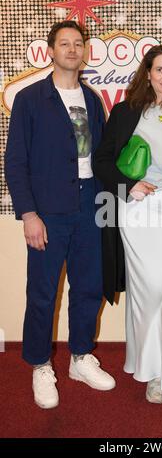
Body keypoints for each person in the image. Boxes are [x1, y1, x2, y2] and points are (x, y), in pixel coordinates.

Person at [93, 44, 162, 423]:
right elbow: (103, 161)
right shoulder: (126, 112)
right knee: (146, 297)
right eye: (159, 69)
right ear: (146, 72)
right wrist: (128, 186)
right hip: (137, 213)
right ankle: (154, 371)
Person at [5, 20, 115, 409]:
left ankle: (81, 357)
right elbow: (15, 162)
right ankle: (39, 364)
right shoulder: (30, 99)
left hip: (90, 204)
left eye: (78, 43)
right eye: (64, 43)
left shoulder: (92, 98)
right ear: (51, 51)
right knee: (42, 293)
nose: (72, 49)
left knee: (88, 286)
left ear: (85, 51)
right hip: (48, 209)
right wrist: (29, 214)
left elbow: (101, 158)